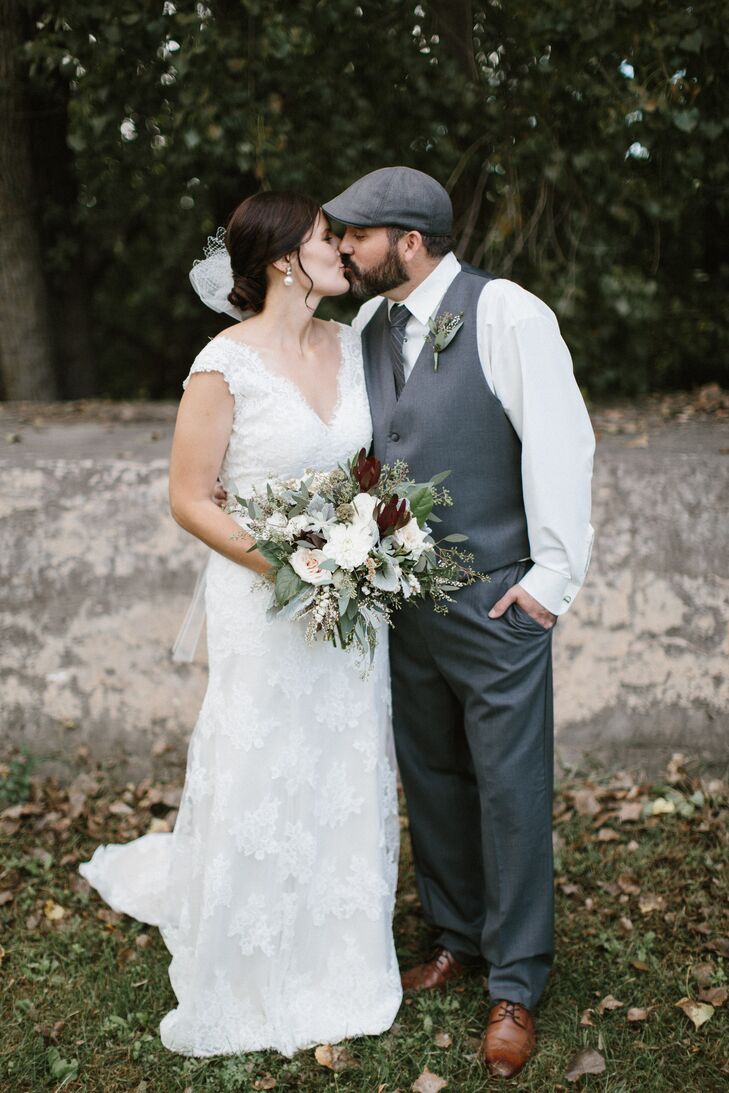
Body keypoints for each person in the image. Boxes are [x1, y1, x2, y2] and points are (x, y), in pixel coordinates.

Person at [79, 192, 402, 1057]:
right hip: (266, 594)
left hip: (348, 588)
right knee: (263, 744)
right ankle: (252, 946)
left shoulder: (351, 341)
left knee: (340, 746)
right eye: (326, 239)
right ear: (283, 262)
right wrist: (294, 570)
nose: (341, 250)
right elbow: (188, 498)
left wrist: (356, 550)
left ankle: (339, 941)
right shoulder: (223, 365)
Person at [321, 166, 595, 1079]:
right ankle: (455, 937)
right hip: (399, 602)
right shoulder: (364, 327)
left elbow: (562, 438)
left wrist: (551, 577)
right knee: (431, 773)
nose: (343, 251)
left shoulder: (508, 311)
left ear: (406, 240)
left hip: (492, 597)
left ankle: (515, 980)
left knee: (508, 787)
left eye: (354, 236)